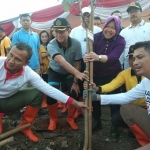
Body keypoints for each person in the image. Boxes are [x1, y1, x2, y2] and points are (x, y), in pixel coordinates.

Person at [0, 42, 88, 143]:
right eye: (11, 55)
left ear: (25, 63)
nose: (11, 61)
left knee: (38, 93)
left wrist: (76, 103)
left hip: (9, 100)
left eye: (18, 59)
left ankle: (25, 126)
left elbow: (49, 89)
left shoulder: (28, 73)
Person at [83, 41, 150, 149]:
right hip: (142, 110)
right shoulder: (145, 81)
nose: (135, 62)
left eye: (140, 57)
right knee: (125, 110)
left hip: (144, 108)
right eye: (133, 58)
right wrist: (98, 94)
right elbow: (125, 96)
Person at [83, 15, 126, 132]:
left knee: (113, 99)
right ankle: (97, 121)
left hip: (113, 75)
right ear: (104, 25)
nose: (109, 30)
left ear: (117, 29)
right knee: (94, 98)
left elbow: (113, 57)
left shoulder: (120, 40)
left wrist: (97, 57)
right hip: (95, 73)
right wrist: (87, 57)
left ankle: (114, 124)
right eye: (107, 26)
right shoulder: (95, 37)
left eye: (113, 27)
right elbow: (88, 52)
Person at [47, 18, 89, 131]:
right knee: (51, 95)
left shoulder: (75, 43)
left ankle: (70, 118)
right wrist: (76, 73)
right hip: (55, 72)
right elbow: (60, 61)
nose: (59, 34)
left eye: (62, 31)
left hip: (69, 73)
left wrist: (75, 82)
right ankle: (53, 119)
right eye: (56, 31)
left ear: (68, 30)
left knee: (74, 93)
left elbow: (78, 63)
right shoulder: (51, 44)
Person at [70, 7, 102, 120]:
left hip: (94, 64)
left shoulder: (97, 30)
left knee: (92, 87)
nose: (87, 18)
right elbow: (71, 48)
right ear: (81, 16)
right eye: (85, 15)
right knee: (80, 87)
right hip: (79, 63)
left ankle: (96, 116)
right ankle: (81, 110)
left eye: (89, 15)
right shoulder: (74, 31)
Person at [119, 1, 150, 69]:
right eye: (130, 12)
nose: (133, 14)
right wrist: (120, 67)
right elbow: (121, 52)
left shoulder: (148, 27)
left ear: (141, 12)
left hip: (147, 67)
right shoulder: (123, 32)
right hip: (129, 67)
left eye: (135, 11)